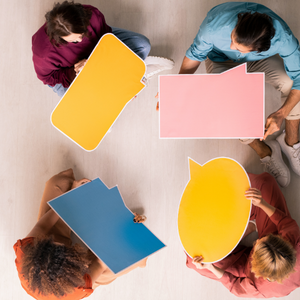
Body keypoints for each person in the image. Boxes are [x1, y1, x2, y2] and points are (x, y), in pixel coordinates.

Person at [179, 2, 300, 187]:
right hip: (221, 62)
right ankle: (265, 151)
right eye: (232, 39)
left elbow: (299, 78)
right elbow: (195, 55)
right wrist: (177, 90)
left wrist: (281, 113)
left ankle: (290, 142)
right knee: (227, 109)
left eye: (236, 46)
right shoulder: (213, 27)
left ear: (261, 48)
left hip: (259, 61)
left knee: (291, 83)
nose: (230, 45)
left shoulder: (283, 39)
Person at [14, 169, 147, 299]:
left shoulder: (26, 248)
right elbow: (100, 263)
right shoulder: (79, 285)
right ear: (73, 267)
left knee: (57, 183)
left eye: (53, 242)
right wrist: (123, 229)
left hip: (48, 265)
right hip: (82, 278)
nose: (65, 245)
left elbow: (42, 225)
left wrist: (69, 197)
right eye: (66, 250)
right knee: (132, 252)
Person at [186, 172, 300, 298]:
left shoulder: (258, 287)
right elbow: (283, 220)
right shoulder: (293, 240)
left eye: (256, 246)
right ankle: (252, 226)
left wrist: (211, 267)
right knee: (265, 182)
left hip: (245, 267)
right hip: (273, 241)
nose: (255, 241)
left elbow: (234, 285)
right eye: (261, 241)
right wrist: (261, 203)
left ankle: (245, 232)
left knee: (195, 259)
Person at [32, 1, 174, 98]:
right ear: (59, 38)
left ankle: (127, 77)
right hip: (69, 72)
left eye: (82, 34)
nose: (80, 41)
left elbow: (107, 38)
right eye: (74, 40)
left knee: (143, 45)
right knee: (79, 103)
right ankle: (129, 75)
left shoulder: (92, 14)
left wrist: (101, 65)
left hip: (98, 52)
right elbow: (48, 78)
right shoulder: (43, 53)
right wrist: (73, 72)